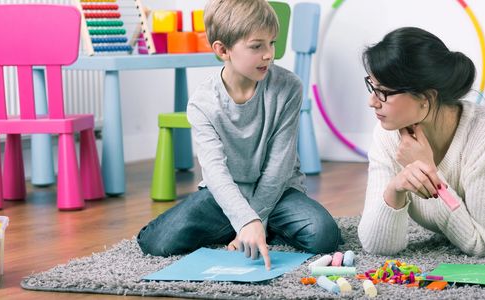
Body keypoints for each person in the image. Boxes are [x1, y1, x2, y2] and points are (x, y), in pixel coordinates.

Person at [137, 0, 341, 269]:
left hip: (279, 192)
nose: (269, 54)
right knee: (156, 243)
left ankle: (254, 227)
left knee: (325, 235)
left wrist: (254, 218)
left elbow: (279, 167)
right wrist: (245, 220)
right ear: (223, 50)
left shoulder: (288, 87)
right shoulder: (203, 103)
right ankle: (249, 227)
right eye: (257, 46)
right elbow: (215, 173)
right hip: (224, 194)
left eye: (272, 43)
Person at [358, 27, 485, 257]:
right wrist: (394, 190)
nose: (372, 102)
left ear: (426, 98)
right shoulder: (388, 134)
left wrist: (429, 172)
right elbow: (377, 246)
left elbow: (479, 243)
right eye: (372, 87)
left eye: (383, 92)